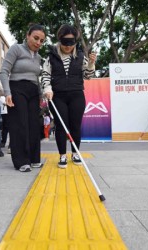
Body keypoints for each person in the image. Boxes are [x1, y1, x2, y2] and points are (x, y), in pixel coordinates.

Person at [42, 24, 96, 169]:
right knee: (61, 125)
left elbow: (88, 76)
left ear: (75, 42)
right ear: (60, 40)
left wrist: (91, 64)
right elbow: (46, 75)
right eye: (65, 42)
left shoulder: (81, 56)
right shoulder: (51, 57)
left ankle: (75, 153)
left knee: (75, 126)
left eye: (71, 42)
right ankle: (62, 155)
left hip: (77, 95)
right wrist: (47, 89)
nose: (68, 46)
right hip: (57, 95)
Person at [0, 24, 46, 172]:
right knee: (20, 124)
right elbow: (4, 71)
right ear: (28, 36)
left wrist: (40, 97)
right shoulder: (16, 49)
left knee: (34, 125)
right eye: (36, 38)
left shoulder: (39, 57)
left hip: (33, 91)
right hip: (16, 88)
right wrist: (7, 93)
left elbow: (37, 79)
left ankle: (34, 159)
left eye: (42, 40)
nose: (38, 42)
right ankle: (21, 161)